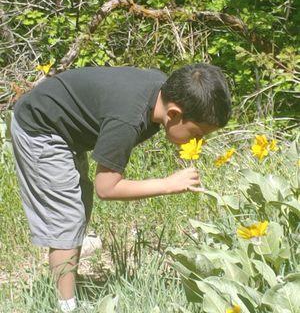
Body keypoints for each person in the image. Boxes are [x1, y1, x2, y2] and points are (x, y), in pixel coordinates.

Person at [10, 63, 231, 312]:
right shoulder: (128, 118)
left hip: (61, 123)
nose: (198, 141)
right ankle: (65, 306)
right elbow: (107, 188)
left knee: (78, 206)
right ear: (174, 115)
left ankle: (67, 283)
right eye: (198, 134)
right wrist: (167, 184)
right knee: (67, 216)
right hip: (40, 128)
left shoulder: (159, 93)